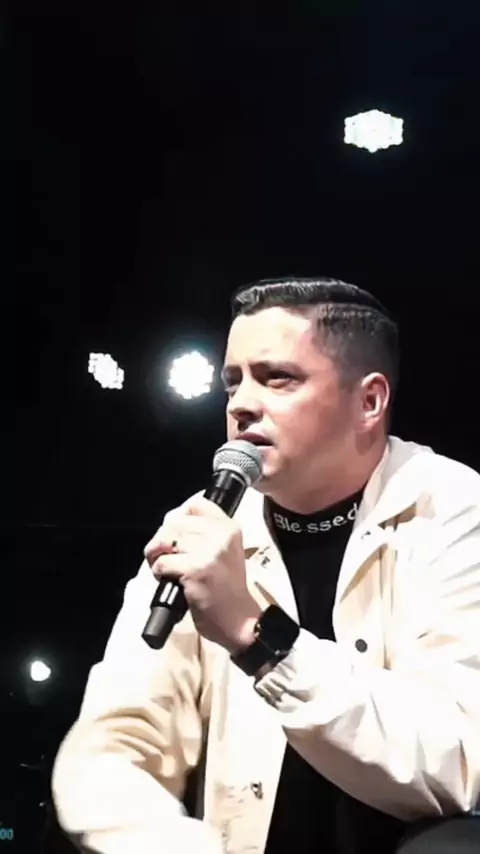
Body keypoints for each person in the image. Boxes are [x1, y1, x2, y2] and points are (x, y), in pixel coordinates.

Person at [52, 277, 480, 854]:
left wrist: (258, 636)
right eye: (232, 382)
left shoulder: (455, 510)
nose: (240, 404)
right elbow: (109, 752)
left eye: (277, 378)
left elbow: (457, 765)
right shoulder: (200, 531)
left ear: (369, 402)